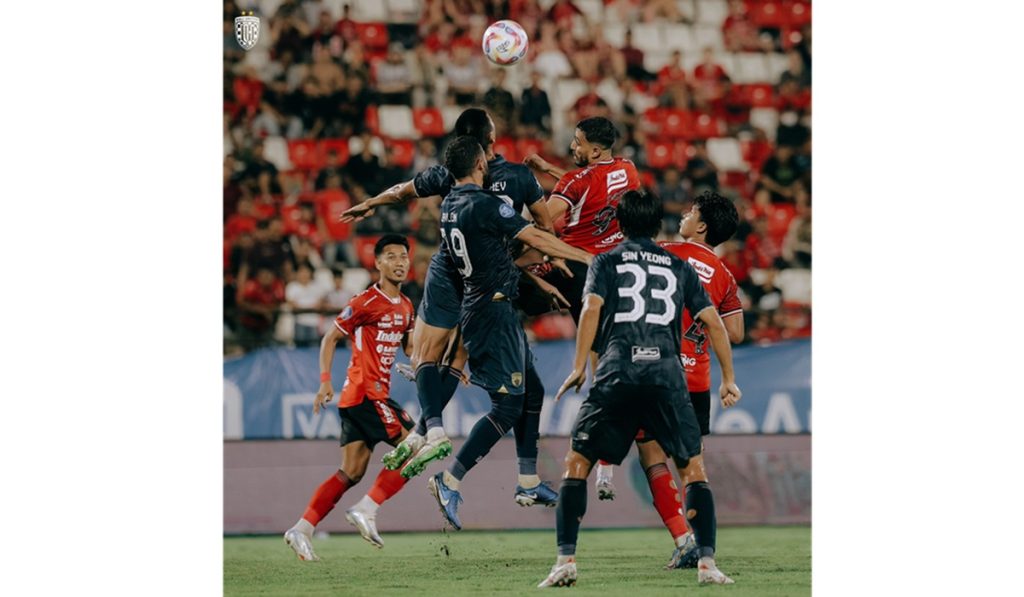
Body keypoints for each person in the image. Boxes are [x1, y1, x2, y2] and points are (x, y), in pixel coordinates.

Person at [339, 109, 577, 507]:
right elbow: (543, 230)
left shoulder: (446, 176)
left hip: (458, 273)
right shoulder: (517, 177)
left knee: (455, 362)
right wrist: (552, 263)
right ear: (490, 143)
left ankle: (514, 472)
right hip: (491, 286)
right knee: (487, 384)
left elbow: (401, 191)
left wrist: (370, 203)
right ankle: (434, 445)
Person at [537, 190, 740, 588]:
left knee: (577, 464)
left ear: (621, 225)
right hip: (669, 374)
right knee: (694, 469)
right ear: (656, 224)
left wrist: (579, 366)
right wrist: (729, 378)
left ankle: (565, 561)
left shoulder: (607, 260)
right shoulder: (677, 264)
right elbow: (719, 324)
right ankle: (707, 565)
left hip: (618, 369)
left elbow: (592, 309)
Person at [425, 136, 595, 531]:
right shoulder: (485, 205)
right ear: (480, 163)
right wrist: (587, 256)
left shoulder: (450, 203)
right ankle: (449, 480)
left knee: (531, 391)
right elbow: (535, 235)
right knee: (507, 406)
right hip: (490, 313)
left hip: (493, 307)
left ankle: (528, 480)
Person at [283, 235, 418, 560]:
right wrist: (325, 382)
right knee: (417, 447)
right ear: (377, 263)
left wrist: (432, 365)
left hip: (367, 397)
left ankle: (301, 529)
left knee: (352, 472)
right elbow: (330, 338)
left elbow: (411, 350)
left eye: (404, 256)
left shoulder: (407, 306)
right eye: (391, 256)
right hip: (364, 394)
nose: (400, 262)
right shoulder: (365, 301)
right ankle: (367, 509)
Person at [652, 190, 745, 569]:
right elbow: (735, 332)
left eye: (690, 212)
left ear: (701, 226)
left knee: (651, 455)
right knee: (693, 467)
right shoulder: (724, 275)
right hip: (696, 378)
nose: (684, 215)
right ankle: (706, 551)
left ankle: (681, 537)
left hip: (656, 368)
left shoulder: (665, 252)